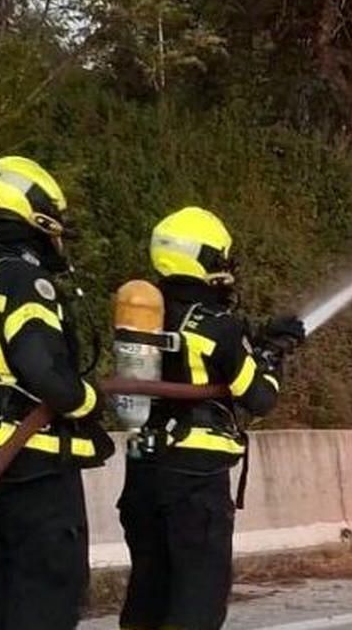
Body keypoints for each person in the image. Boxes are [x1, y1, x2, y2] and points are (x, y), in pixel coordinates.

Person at [119, 207, 305, 630]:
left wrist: (255, 343)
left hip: (143, 472)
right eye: (220, 259)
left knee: (150, 589)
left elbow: (197, 363)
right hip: (195, 479)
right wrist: (275, 354)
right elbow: (258, 396)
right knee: (197, 596)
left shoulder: (145, 313)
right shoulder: (218, 325)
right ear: (203, 260)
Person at [0, 155, 112, 630]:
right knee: (48, 592)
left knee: (5, 588)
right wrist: (88, 401)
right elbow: (42, 370)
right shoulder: (25, 281)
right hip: (37, 462)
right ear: (36, 217)